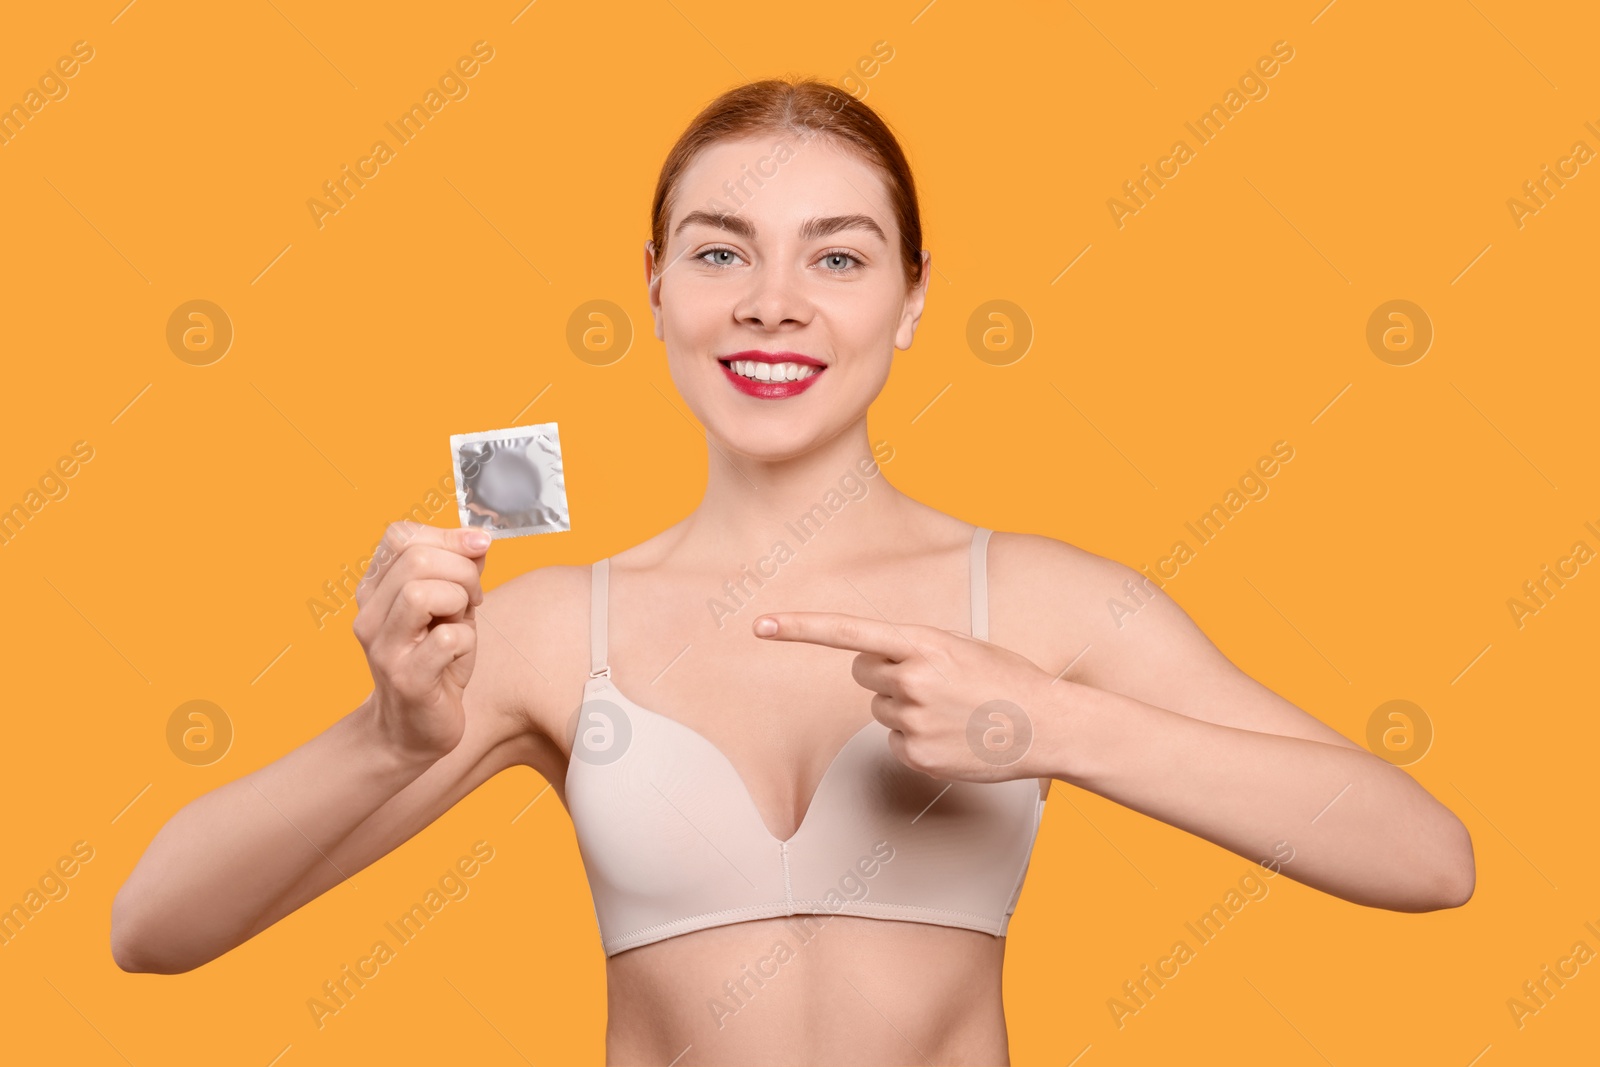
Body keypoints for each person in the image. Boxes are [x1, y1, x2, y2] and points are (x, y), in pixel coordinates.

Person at [111, 77, 1475, 1065]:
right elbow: (153, 928)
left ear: (915, 294)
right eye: (722, 252)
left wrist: (1048, 723)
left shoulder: (1046, 603)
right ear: (654, 285)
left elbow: (1425, 858)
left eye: (839, 255)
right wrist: (383, 733)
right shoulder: (541, 632)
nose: (775, 302)